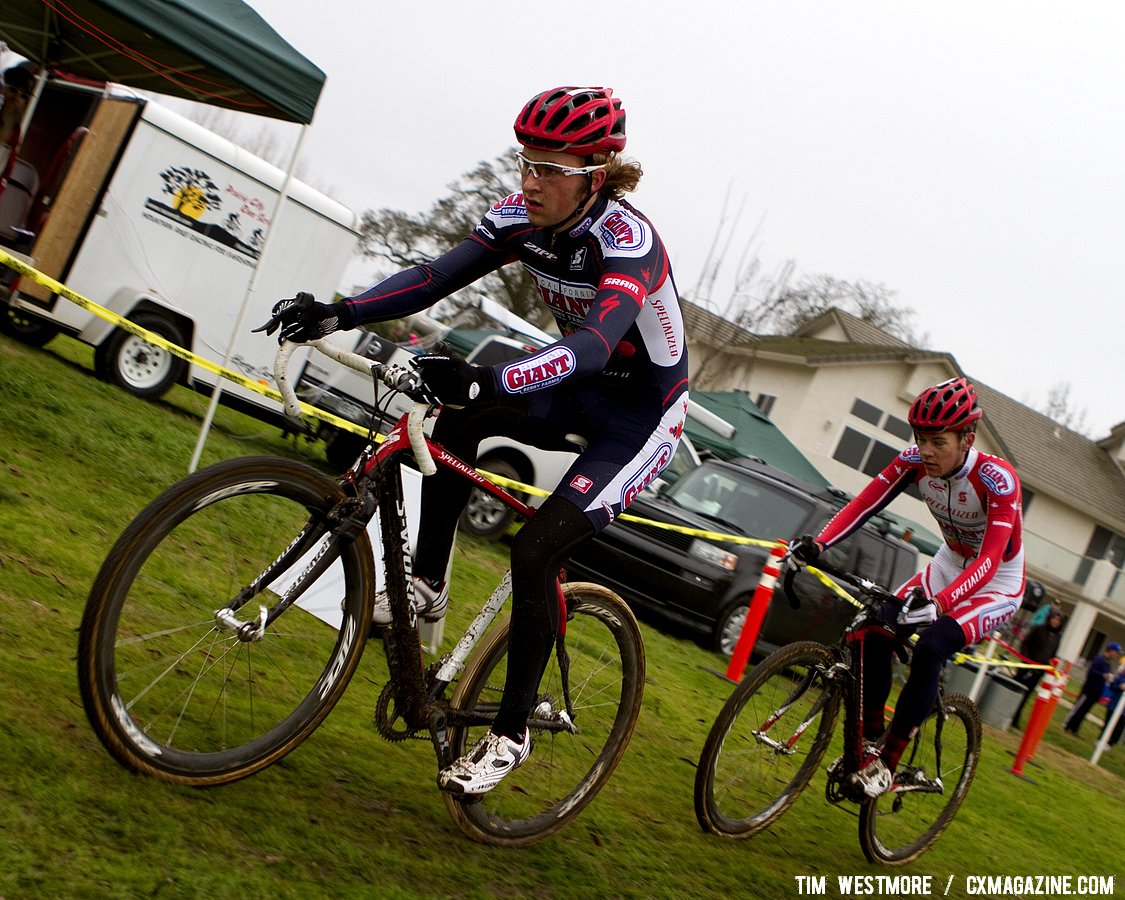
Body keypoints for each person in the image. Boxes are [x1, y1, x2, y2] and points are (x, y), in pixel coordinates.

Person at [258, 86, 689, 795]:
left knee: (535, 549)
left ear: (596, 174)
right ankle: (426, 585)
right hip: (580, 388)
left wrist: (487, 380)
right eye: (526, 162)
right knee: (454, 422)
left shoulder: (628, 243)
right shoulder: (519, 217)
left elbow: (588, 345)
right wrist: (337, 312)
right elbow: (432, 278)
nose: (529, 181)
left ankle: (511, 734)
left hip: (641, 415)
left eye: (550, 168)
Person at [789, 377, 1025, 797]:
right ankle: (870, 744)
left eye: (938, 441)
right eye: (920, 438)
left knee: (933, 644)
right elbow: (864, 503)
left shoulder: (997, 479)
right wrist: (818, 542)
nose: (926, 450)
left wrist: (941, 603)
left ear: (967, 438)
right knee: (871, 629)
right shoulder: (914, 461)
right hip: (950, 562)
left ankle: (888, 764)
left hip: (998, 581)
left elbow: (990, 559)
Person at [1009, 607, 1064, 730]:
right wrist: (1026, 659)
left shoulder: (1057, 637)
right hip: (1027, 665)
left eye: (1058, 620)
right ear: (1050, 618)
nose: (1055, 622)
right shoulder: (1039, 629)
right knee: (1016, 688)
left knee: (1027, 694)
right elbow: (1025, 643)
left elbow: (1053, 654)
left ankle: (1015, 717)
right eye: (1054, 618)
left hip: (1039, 671)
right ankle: (1007, 710)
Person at [1062, 642, 1122, 736]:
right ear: (1111, 651)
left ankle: (1074, 728)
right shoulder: (1099, 659)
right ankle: (1067, 725)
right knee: (1079, 708)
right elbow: (1091, 673)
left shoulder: (1108, 664)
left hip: (1096, 692)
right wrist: (1103, 675)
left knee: (1084, 711)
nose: (1117, 656)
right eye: (1116, 653)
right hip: (1089, 689)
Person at [1099, 662, 1125, 747]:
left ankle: (1110, 743)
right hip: (1113, 705)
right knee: (1107, 723)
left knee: (1118, 727)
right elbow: (1112, 686)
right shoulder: (1121, 677)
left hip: (1123, 710)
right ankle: (1101, 739)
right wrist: (1119, 687)